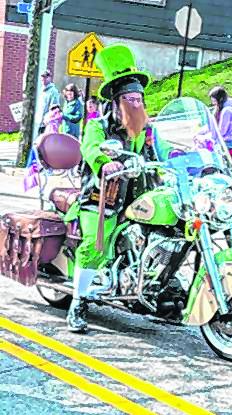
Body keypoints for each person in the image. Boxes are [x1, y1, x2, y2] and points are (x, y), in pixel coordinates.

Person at [64, 44, 172, 333]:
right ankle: (78, 302)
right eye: (130, 100)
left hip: (137, 195)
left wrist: (186, 161)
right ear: (116, 102)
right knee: (95, 246)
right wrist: (104, 163)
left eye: (139, 100)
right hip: (102, 197)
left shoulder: (145, 129)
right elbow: (89, 147)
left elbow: (163, 152)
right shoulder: (97, 126)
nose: (136, 105)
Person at [209, 86, 232, 191]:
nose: (212, 102)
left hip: (228, 145)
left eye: (214, 99)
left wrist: (211, 137)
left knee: (228, 170)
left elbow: (222, 131)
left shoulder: (226, 111)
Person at [35, 70, 60, 134]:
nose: (43, 79)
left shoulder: (53, 91)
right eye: (42, 77)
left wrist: (48, 120)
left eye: (46, 77)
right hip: (38, 123)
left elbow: (54, 109)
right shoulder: (41, 90)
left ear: (50, 78)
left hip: (47, 124)